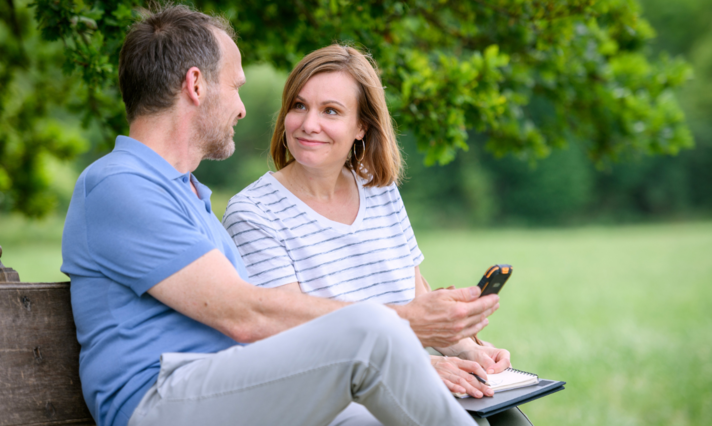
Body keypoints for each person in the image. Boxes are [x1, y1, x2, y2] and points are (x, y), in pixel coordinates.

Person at [60, 6, 501, 426]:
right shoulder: (120, 184)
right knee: (370, 332)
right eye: (235, 86)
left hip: (229, 387)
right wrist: (406, 321)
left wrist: (449, 346)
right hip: (163, 402)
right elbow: (246, 314)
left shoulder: (184, 193)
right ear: (196, 85)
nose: (242, 107)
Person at [222, 45, 532, 425]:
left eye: (330, 111)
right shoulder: (254, 213)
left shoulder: (377, 189)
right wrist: (418, 368)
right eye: (299, 106)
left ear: (361, 127)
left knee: (507, 418)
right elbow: (289, 334)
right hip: (333, 400)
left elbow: (413, 293)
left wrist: (468, 350)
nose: (307, 124)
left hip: (408, 375)